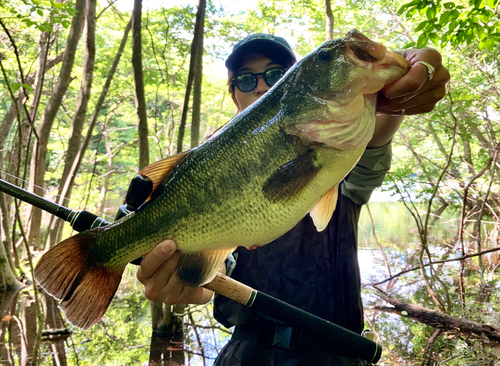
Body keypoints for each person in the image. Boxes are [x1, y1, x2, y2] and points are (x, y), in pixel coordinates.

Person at [136, 33, 450, 365]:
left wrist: (406, 78)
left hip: (337, 355)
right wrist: (184, 285)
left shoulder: (341, 151)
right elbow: (215, 269)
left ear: (295, 79)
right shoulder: (211, 177)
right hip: (245, 355)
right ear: (233, 96)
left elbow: (380, 125)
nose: (260, 86)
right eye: (245, 79)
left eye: (275, 74)